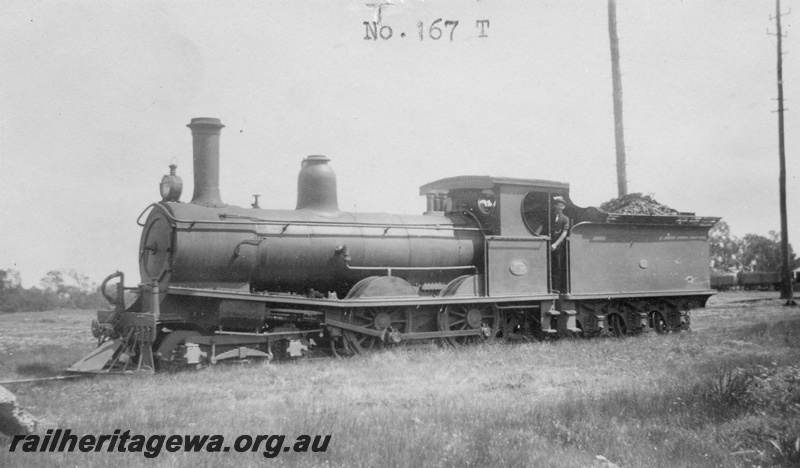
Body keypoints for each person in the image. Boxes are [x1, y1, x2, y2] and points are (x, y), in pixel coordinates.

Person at [550, 196, 570, 292]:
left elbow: (564, 233)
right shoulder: (549, 216)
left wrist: (555, 244)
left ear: (564, 207)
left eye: (562, 205)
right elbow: (542, 226)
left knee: (557, 265)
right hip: (549, 241)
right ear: (554, 206)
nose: (560, 207)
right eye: (558, 205)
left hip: (558, 244)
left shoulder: (565, 219)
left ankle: (556, 287)